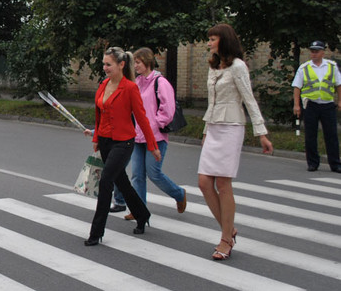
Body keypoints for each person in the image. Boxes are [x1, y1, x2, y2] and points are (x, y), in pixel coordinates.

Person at [199, 23, 273, 261]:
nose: (209, 43)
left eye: (213, 39)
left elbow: (249, 100)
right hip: (214, 126)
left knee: (223, 182)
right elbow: (212, 102)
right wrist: (205, 131)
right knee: (203, 182)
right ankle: (228, 229)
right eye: (209, 39)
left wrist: (261, 132)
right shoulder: (213, 66)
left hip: (232, 127)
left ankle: (225, 239)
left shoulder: (238, 66)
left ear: (225, 40)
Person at [81, 47, 160, 246]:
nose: (105, 68)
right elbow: (99, 116)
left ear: (121, 65)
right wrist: (96, 138)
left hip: (124, 142)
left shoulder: (130, 88)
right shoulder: (103, 85)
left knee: (107, 180)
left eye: (108, 64)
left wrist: (152, 145)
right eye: (104, 64)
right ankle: (142, 214)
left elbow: (142, 119)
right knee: (122, 182)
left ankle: (96, 232)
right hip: (106, 142)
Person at [120, 47, 187, 221]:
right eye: (134, 62)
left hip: (155, 137)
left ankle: (179, 194)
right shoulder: (138, 83)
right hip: (137, 136)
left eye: (138, 62)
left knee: (154, 174)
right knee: (137, 175)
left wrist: (154, 125)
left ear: (147, 62)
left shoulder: (160, 82)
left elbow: (168, 110)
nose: (135, 66)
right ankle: (139, 209)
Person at [292, 40, 341, 173]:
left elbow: (338, 85)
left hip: (328, 105)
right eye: (312, 51)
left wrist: (340, 101)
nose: (313, 54)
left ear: (323, 52)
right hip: (311, 105)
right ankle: (313, 163)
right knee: (310, 135)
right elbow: (297, 86)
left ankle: (335, 164)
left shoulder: (331, 66)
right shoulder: (304, 67)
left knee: (331, 135)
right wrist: (297, 105)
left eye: (316, 51)